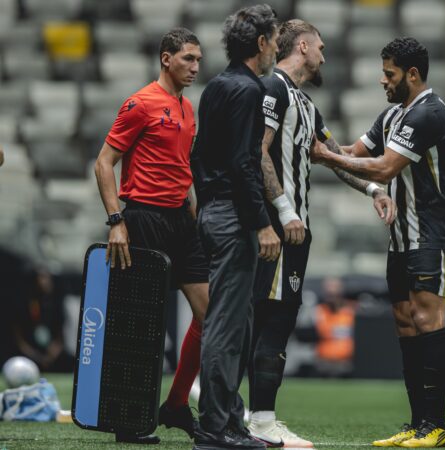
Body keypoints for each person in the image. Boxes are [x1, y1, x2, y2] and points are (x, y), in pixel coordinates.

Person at [310, 37, 445, 448]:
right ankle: (417, 424)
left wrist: (327, 157)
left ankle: (437, 426)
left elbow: (382, 168)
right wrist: (318, 134)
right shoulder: (393, 115)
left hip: (435, 234)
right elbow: (352, 152)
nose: (383, 80)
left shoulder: (430, 113)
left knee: (427, 320)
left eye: (389, 73)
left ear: (412, 75)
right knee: (405, 322)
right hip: (402, 238)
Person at [246, 19, 395, 449]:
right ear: (303, 47)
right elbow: (258, 151)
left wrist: (372, 189)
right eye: (321, 48)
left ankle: (243, 413)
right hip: (279, 228)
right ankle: (260, 421)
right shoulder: (273, 89)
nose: (324, 57)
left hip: (297, 231)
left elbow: (332, 155)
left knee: (274, 320)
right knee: (271, 321)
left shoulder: (307, 105)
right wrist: (284, 210)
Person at [94, 27, 205, 445]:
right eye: (188, 58)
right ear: (166, 58)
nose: (195, 67)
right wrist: (116, 221)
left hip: (181, 221)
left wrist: (192, 212)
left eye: (198, 60)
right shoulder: (140, 104)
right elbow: (103, 163)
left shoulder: (188, 108)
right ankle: (127, 420)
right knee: (140, 324)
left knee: (210, 315)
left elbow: (180, 167)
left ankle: (175, 404)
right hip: (142, 219)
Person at [190, 5, 281, 450]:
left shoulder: (216, 87)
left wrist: (208, 203)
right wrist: (262, 223)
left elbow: (198, 154)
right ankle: (214, 428)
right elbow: (246, 163)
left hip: (216, 211)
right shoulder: (248, 91)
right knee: (227, 327)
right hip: (234, 217)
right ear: (260, 43)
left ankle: (229, 420)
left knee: (237, 324)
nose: (277, 48)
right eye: (275, 40)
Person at [314, 277, 356, 377]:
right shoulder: (319, 310)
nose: (331, 297)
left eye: (334, 293)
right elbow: (321, 331)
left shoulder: (352, 310)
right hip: (323, 361)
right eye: (329, 294)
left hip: (347, 362)